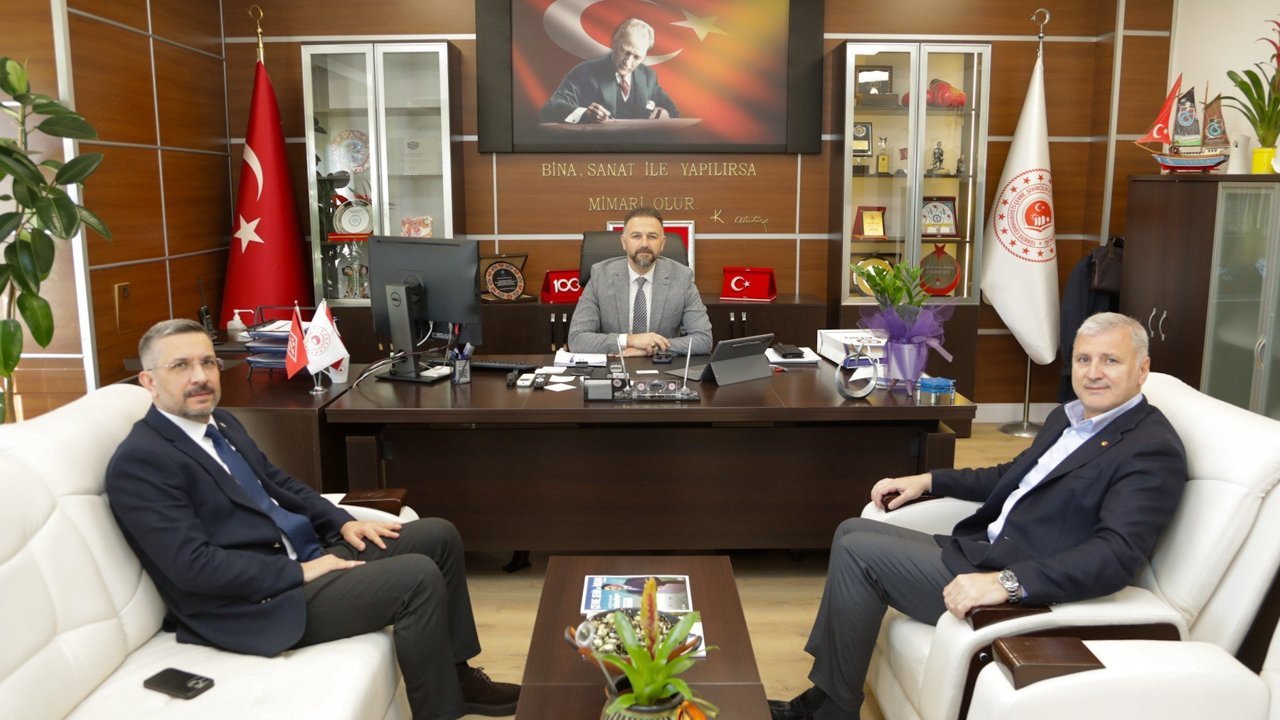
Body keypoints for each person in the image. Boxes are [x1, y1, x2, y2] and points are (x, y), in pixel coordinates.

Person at [769, 312, 1188, 720]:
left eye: (1110, 360)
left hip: (1018, 583)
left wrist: (1007, 582)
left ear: (1142, 369)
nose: (1093, 373)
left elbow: (1114, 556)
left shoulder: (1150, 448)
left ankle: (832, 711)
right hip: (984, 550)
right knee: (851, 531)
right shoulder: (1068, 417)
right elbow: (1009, 475)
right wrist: (929, 480)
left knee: (859, 553)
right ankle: (826, 698)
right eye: (1083, 359)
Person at [106, 319, 520, 720]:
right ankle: (439, 712)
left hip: (309, 555)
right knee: (416, 577)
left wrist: (341, 522)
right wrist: (299, 571)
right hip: (260, 602)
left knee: (438, 536)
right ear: (148, 381)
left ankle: (458, 679)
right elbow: (193, 568)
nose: (200, 377)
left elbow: (279, 483)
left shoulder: (222, 423)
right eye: (181, 366)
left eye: (207, 362)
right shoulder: (141, 462)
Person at [567, 206, 712, 356]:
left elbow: (704, 340)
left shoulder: (682, 277)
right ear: (624, 242)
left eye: (652, 236)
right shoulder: (600, 275)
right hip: (615, 364)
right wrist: (629, 340)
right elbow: (577, 339)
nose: (644, 244)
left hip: (662, 366)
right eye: (636, 236)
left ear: (662, 243)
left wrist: (652, 348)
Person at [539, 17, 679, 124]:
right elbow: (550, 108)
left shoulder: (648, 76)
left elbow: (673, 112)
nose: (628, 62)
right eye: (626, 52)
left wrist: (666, 115)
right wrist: (585, 114)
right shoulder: (585, 71)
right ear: (615, 42)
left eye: (637, 57)